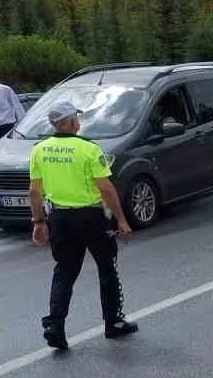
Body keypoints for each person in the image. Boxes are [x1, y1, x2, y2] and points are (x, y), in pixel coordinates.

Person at [27, 100, 137, 350]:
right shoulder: (88, 149)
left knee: (64, 271)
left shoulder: (39, 150)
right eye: (77, 117)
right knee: (107, 268)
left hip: (60, 219)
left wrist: (38, 222)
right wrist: (121, 219)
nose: (79, 121)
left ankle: (54, 324)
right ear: (72, 122)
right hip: (91, 217)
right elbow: (106, 188)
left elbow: (34, 191)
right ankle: (113, 322)